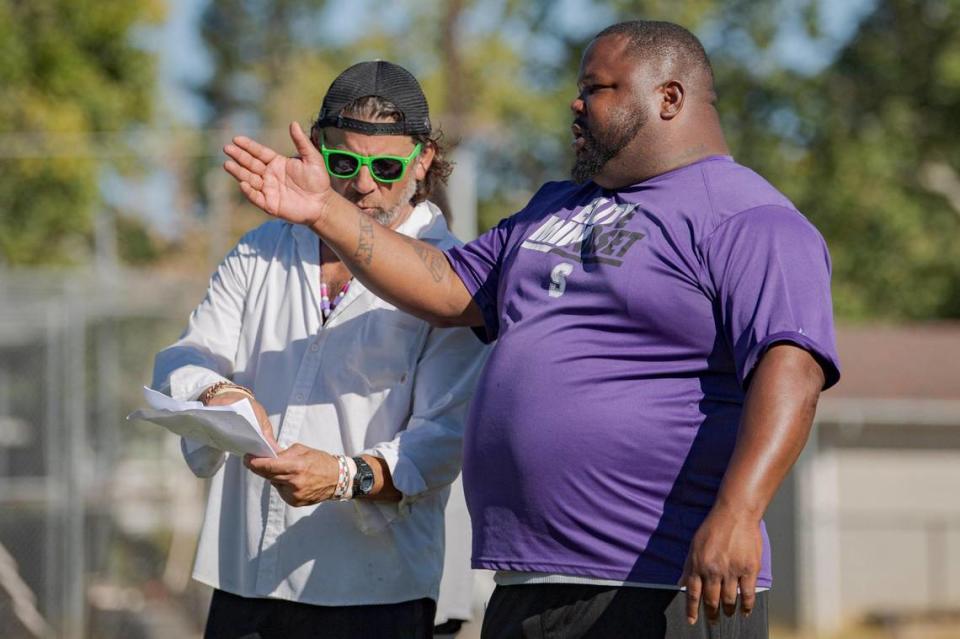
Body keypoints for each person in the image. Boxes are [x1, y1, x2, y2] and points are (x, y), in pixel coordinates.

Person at [222, 20, 841, 638]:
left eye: (596, 88)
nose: (575, 103)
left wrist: (739, 510)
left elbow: (792, 368)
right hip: (528, 583)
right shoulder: (555, 206)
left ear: (668, 98)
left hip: (659, 582)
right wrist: (323, 210)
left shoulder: (748, 217)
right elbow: (442, 285)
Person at [153, 60, 487, 639]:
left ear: (424, 160)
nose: (363, 184)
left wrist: (342, 476)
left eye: (386, 166)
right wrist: (218, 391)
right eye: (343, 162)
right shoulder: (263, 248)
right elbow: (183, 358)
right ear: (318, 152)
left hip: (372, 589)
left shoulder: (448, 273)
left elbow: (445, 437)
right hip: (245, 575)